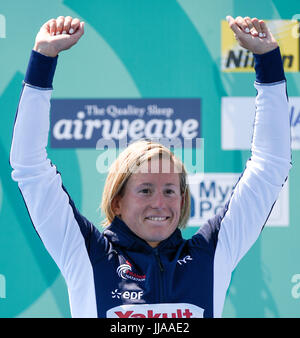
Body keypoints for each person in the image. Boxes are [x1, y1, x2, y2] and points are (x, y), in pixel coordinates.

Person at [10, 15, 291, 318]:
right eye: (145, 190)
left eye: (170, 190)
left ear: (183, 199)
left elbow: (269, 167)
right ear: (117, 200)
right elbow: (30, 167)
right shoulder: (86, 255)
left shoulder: (210, 256)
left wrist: (268, 61)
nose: (160, 202)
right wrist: (43, 59)